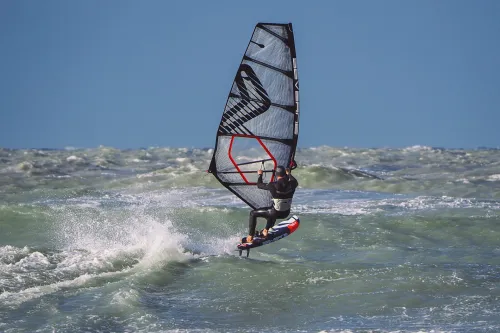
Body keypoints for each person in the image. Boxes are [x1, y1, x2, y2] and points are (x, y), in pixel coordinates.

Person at [245, 165, 298, 243]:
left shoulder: (272, 185)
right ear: (285, 174)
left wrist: (260, 175)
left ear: (276, 175)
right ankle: (266, 230)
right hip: (286, 213)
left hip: (275, 213)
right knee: (272, 209)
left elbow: (259, 185)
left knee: (253, 213)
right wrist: (289, 174)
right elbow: (293, 180)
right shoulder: (293, 184)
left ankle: (250, 236)